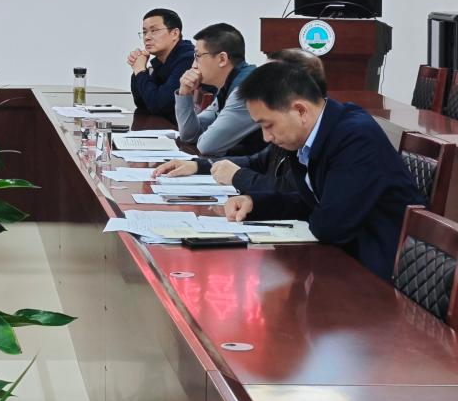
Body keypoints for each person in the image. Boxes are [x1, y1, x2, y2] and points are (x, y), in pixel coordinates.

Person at [224, 60, 424, 280]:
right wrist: (256, 203)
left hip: (382, 274)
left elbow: (331, 225)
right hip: (345, 262)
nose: (266, 137)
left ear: (300, 110)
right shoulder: (308, 137)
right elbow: (312, 202)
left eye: (268, 125)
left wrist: (313, 212)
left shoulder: (355, 138)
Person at [155, 49, 327, 197]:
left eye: (269, 78)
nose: (266, 137)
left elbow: (294, 192)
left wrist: (238, 177)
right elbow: (257, 162)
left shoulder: (330, 139)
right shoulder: (290, 130)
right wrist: (198, 165)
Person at [174, 23, 264, 156]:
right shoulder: (228, 84)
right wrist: (184, 93)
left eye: (197, 56)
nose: (193, 65)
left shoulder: (246, 89)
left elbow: (207, 146)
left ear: (222, 59)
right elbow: (190, 135)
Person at [127, 8, 194, 122]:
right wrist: (138, 69)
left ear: (175, 33)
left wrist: (140, 71)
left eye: (154, 31)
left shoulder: (188, 59)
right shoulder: (161, 61)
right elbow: (142, 102)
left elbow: (159, 105)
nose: (147, 37)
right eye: (144, 32)